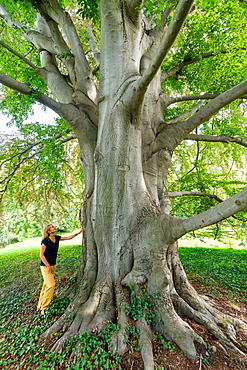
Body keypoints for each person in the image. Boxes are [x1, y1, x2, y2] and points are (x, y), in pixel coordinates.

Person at [37, 224, 82, 315]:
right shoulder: (45, 241)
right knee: (51, 285)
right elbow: (41, 255)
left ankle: (40, 305)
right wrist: (48, 266)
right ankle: (44, 308)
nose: (54, 227)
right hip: (45, 266)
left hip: (52, 264)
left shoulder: (56, 238)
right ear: (49, 231)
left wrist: (78, 232)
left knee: (46, 285)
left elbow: (68, 237)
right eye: (52, 227)